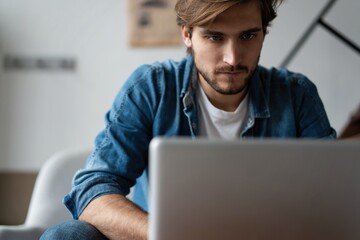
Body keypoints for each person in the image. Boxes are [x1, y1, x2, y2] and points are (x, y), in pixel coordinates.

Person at [41, 0, 336, 239]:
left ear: (263, 32)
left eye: (248, 36)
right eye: (214, 37)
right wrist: (167, 233)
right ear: (187, 34)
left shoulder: (297, 95)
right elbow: (93, 191)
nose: (233, 58)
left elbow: (334, 196)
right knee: (67, 235)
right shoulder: (152, 88)